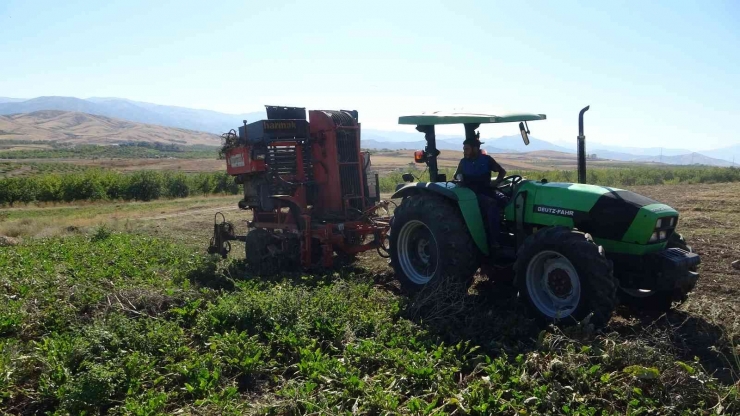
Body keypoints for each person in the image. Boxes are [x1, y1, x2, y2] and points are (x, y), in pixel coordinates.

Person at [453, 137, 509, 249]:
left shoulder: (486, 160)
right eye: (464, 149)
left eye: (467, 149)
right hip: (471, 193)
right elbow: (456, 176)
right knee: (491, 204)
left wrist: (497, 182)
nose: (464, 151)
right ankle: (494, 240)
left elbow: (502, 171)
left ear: (475, 148)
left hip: (487, 189)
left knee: (505, 200)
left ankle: (507, 230)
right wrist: (459, 179)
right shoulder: (463, 162)